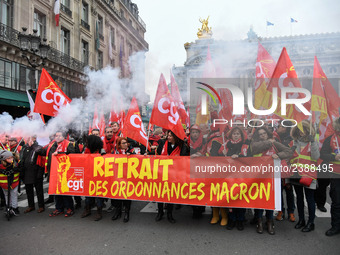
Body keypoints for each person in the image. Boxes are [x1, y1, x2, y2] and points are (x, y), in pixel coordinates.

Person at [250, 126, 292, 235]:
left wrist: (278, 155)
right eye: (260, 134)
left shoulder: (275, 143)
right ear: (257, 136)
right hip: (259, 177)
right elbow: (255, 148)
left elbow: (288, 151)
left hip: (272, 177)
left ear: (268, 134)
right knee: (259, 199)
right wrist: (269, 142)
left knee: (270, 200)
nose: (263, 135)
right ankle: (259, 220)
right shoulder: (255, 144)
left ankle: (269, 221)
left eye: (264, 133)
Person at [289, 120, 319, 232]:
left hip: (309, 175)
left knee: (310, 199)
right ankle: (301, 220)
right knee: (299, 198)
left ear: (308, 130)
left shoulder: (312, 142)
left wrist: (313, 143)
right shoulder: (294, 142)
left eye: (304, 130)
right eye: (300, 130)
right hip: (296, 174)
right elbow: (291, 158)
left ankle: (311, 222)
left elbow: (316, 157)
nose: (302, 132)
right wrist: (290, 151)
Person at [39, 131, 75, 217]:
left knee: (65, 191)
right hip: (54, 172)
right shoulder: (52, 145)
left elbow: (72, 155)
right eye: (56, 136)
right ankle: (59, 208)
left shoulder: (69, 144)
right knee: (56, 192)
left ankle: (69, 208)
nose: (57, 137)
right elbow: (43, 152)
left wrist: (59, 154)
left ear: (64, 137)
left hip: (64, 172)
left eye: (59, 136)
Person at [155, 130, 189, 223]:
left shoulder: (181, 146)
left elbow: (184, 159)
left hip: (174, 174)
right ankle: (160, 212)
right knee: (160, 194)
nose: (168, 137)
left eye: (171, 136)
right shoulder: (163, 143)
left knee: (170, 194)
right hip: (162, 172)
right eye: (168, 135)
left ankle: (169, 214)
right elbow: (157, 154)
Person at [320, 117, 340, 236]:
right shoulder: (331, 138)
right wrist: (334, 157)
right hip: (336, 175)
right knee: (337, 202)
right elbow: (323, 154)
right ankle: (335, 226)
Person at [273, 121, 296, 222]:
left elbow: (291, 153)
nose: (279, 128)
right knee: (278, 192)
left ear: (286, 128)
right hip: (277, 168)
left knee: (289, 191)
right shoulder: (274, 138)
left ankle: (291, 212)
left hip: (287, 168)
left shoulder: (292, 140)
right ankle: (280, 211)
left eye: (281, 127)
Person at [81, 135, 106, 221]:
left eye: (88, 142)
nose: (86, 143)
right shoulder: (87, 150)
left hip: (99, 176)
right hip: (89, 175)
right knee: (88, 195)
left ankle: (99, 212)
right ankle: (87, 209)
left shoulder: (101, 150)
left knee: (99, 195)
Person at [111, 137, 135, 223]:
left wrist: (131, 156)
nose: (125, 144)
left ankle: (127, 213)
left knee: (127, 196)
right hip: (118, 176)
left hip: (128, 177)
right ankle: (118, 211)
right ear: (119, 145)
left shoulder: (132, 151)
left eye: (126, 143)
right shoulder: (114, 152)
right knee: (117, 195)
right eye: (123, 143)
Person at [20, 136, 45, 213]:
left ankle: (41, 206)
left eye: (29, 137)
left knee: (39, 191)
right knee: (29, 191)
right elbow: (22, 159)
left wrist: (33, 145)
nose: (27, 139)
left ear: (34, 139)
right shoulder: (24, 148)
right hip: (27, 172)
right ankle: (31, 206)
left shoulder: (38, 147)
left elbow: (43, 153)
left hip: (37, 172)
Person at [0, 150, 20, 216]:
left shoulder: (15, 163)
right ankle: (8, 206)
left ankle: (15, 208)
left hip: (14, 182)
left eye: (11, 158)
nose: (11, 159)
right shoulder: (1, 165)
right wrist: (3, 171)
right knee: (6, 195)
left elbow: (20, 168)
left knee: (14, 194)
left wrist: (15, 170)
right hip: (4, 184)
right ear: (4, 159)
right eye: (9, 158)